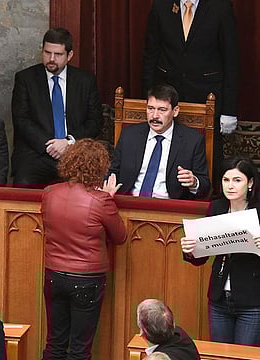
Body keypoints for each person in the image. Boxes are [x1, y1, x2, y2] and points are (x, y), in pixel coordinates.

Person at [41, 139, 127, 360]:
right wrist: (107, 197)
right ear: (99, 166)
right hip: (87, 279)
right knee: (79, 350)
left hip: (54, 274)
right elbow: (120, 237)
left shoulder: (49, 192)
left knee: (54, 345)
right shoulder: (101, 201)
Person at [142, 0, 239, 184]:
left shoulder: (220, 7)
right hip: (167, 95)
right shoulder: (161, 5)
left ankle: (207, 196)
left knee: (208, 153)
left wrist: (229, 109)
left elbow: (231, 59)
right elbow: (150, 54)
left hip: (206, 95)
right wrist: (148, 98)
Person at [181, 155, 260, 345]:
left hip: (252, 300)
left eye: (237, 180)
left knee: (244, 357)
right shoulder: (217, 207)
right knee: (219, 354)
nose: (230, 186)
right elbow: (201, 256)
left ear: (250, 183)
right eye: (226, 180)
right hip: (218, 298)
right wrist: (190, 249)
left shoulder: (258, 211)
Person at [11, 27, 103, 187]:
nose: (51, 59)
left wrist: (68, 142)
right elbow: (21, 120)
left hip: (74, 152)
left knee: (85, 188)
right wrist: (50, 146)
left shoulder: (85, 81)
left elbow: (95, 121)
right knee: (23, 184)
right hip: (37, 152)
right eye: (47, 53)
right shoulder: (26, 79)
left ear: (70, 55)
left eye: (58, 54)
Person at [109, 84, 210, 199]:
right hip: (130, 203)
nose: (155, 116)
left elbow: (205, 186)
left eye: (162, 110)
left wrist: (194, 182)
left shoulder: (192, 140)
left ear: (175, 111)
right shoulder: (129, 135)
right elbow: (113, 172)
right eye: (150, 109)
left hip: (169, 208)